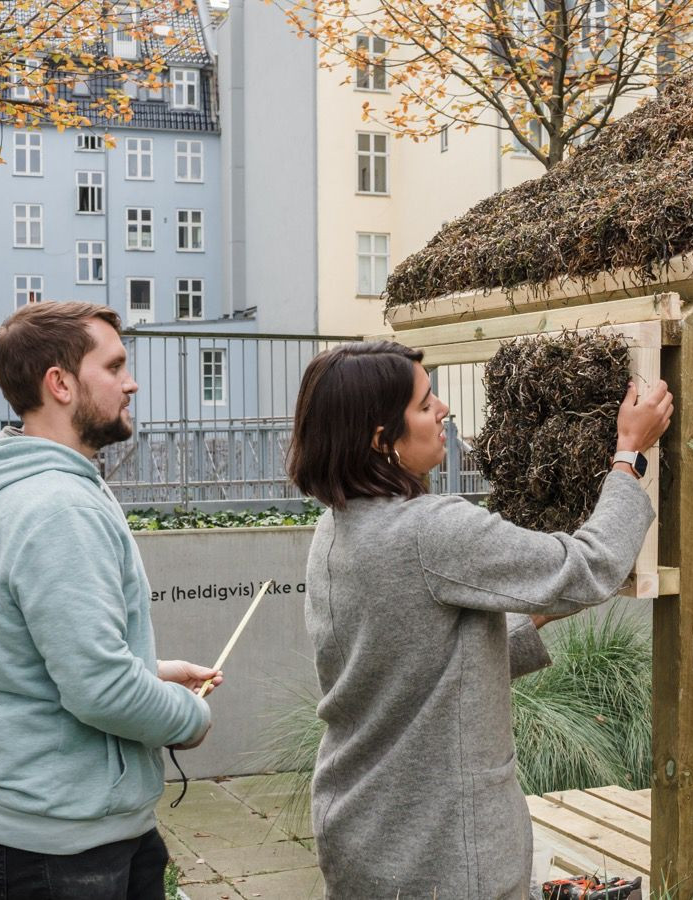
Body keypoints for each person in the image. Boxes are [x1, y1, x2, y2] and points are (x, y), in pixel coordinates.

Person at [287, 340, 672, 899]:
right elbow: (589, 565)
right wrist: (628, 454)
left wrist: (527, 608)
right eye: (424, 404)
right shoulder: (431, 531)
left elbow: (410, 662)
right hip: (444, 854)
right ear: (380, 438)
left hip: (362, 834)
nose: (443, 409)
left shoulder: (337, 528)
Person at [0, 302, 222, 900]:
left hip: (59, 826)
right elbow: (100, 689)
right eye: (115, 365)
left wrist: (151, 672)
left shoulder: (21, 491)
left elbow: (47, 661)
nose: (132, 381)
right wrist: (189, 720)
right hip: (60, 841)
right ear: (61, 383)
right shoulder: (56, 507)